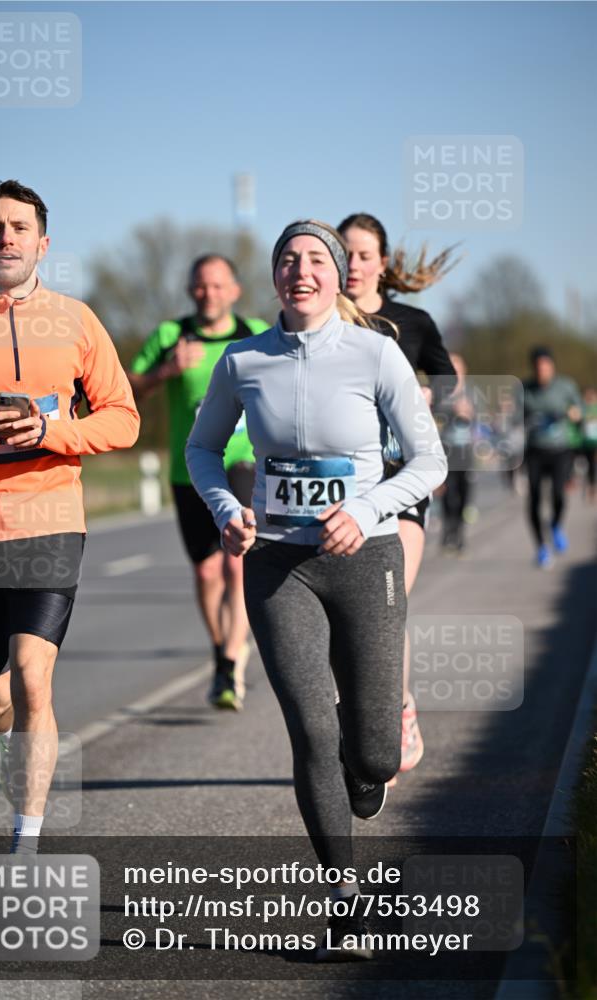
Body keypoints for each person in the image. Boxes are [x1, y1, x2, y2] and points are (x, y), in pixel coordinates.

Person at [186, 220, 447, 959]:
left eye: (315, 260)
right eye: (287, 260)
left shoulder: (376, 354)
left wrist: (365, 509)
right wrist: (227, 510)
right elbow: (203, 448)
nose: (301, 270)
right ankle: (343, 898)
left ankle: (366, 770)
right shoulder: (242, 361)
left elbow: (428, 464)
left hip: (367, 559)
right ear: (273, 276)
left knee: (372, 754)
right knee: (310, 729)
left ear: (337, 277)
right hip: (276, 564)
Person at [0, 179, 140, 853]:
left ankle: (25, 844)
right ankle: (5, 745)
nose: (5, 237)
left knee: (32, 678)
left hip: (49, 521)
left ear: (42, 243)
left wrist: (50, 434)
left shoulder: (77, 320)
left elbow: (123, 419)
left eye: (19, 227)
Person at [337, 213, 458, 779]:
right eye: (347, 255)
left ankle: (397, 711)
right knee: (346, 614)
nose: (355, 265)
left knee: (388, 603)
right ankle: (361, 716)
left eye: (364, 255)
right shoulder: (318, 316)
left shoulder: (413, 322)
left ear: (383, 262)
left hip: (399, 479)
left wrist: (432, 400)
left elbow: (450, 382)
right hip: (336, 488)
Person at [128, 257, 268, 710]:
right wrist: (165, 371)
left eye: (217, 285)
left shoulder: (256, 331)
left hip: (243, 462)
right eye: (200, 286)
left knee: (236, 562)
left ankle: (229, 663)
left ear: (235, 290)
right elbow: (125, 390)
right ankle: (221, 645)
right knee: (207, 571)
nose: (209, 293)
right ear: (191, 290)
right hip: (189, 468)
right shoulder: (171, 336)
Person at [523, 346, 583, 567]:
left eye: (546, 367)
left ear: (552, 366)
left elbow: (580, 411)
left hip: (560, 450)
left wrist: (574, 413)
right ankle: (540, 547)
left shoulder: (565, 386)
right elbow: (513, 417)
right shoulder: (525, 389)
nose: (542, 371)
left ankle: (556, 524)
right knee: (535, 499)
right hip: (535, 451)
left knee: (559, 494)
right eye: (538, 368)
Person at [434, 353, 476, 553]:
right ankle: (447, 531)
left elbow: (481, 416)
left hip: (465, 450)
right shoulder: (442, 391)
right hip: (446, 448)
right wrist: (453, 409)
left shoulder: (472, 392)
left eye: (458, 368)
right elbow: (434, 414)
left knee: (464, 493)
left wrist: (469, 412)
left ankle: (459, 532)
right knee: (447, 493)